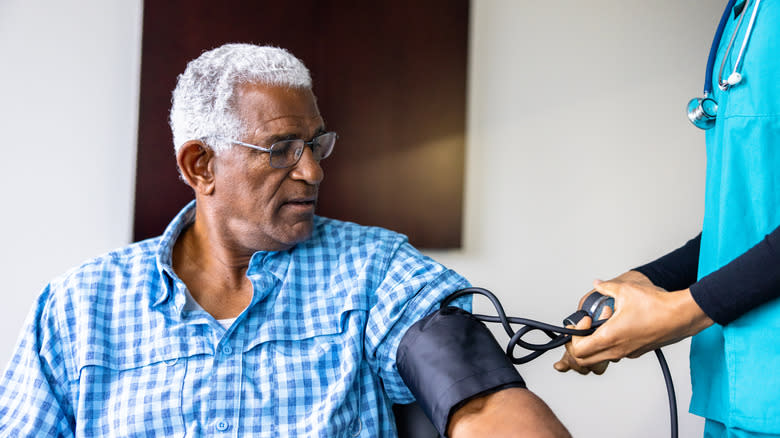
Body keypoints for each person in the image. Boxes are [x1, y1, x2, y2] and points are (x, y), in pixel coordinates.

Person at [0, 44, 570, 437]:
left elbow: (481, 398)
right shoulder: (78, 307)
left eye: (316, 146)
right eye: (282, 150)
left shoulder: (375, 269)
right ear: (201, 165)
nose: (313, 173)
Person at [554, 1, 780, 437]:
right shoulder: (747, 15)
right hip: (737, 400)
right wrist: (645, 281)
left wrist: (682, 311)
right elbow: (749, 224)